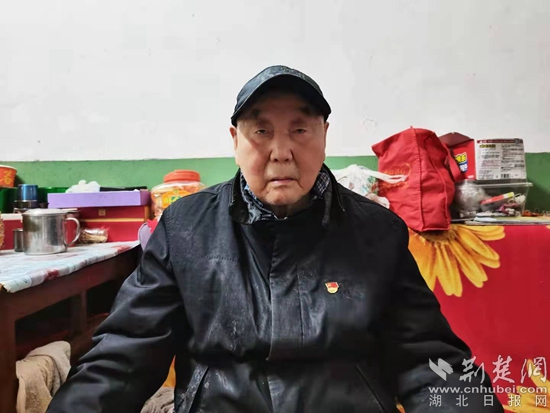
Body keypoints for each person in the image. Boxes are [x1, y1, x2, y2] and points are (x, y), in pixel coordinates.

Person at [48, 65, 504, 412]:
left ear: (324, 135)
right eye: (261, 131)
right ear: (236, 140)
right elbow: (123, 357)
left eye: (300, 130)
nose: (281, 152)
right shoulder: (185, 227)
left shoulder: (377, 231)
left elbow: (429, 361)